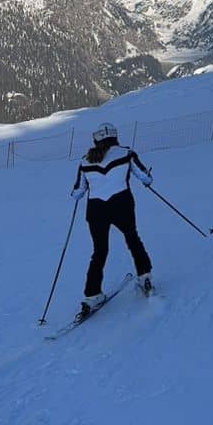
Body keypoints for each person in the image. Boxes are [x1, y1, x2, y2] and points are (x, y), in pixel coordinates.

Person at [70, 122, 153, 317]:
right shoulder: (126, 153)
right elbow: (145, 177)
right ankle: (145, 276)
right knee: (133, 239)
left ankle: (92, 295)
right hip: (122, 204)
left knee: (99, 251)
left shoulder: (85, 161)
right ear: (115, 137)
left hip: (96, 210)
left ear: (96, 139)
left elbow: (77, 192)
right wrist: (148, 179)